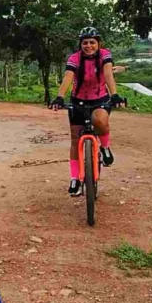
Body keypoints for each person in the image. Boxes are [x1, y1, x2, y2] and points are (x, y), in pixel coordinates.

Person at [48, 27, 125, 197]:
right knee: (75, 139)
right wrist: (60, 97)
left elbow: (108, 74)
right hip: (78, 101)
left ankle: (105, 148)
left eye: (92, 42)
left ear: (98, 43)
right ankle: (75, 179)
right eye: (85, 43)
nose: (88, 46)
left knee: (100, 121)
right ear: (80, 44)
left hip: (100, 99)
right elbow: (68, 76)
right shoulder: (75, 58)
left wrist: (115, 95)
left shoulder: (105, 55)